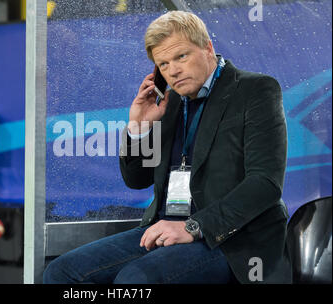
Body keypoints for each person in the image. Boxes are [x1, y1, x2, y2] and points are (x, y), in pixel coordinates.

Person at [43, 11, 292, 284]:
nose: (173, 70)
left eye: (181, 57)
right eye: (163, 64)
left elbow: (265, 183)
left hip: (233, 238)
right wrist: (139, 127)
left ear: (208, 48)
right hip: (164, 228)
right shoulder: (169, 102)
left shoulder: (255, 89)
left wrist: (193, 226)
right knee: (62, 272)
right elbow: (137, 179)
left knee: (136, 279)